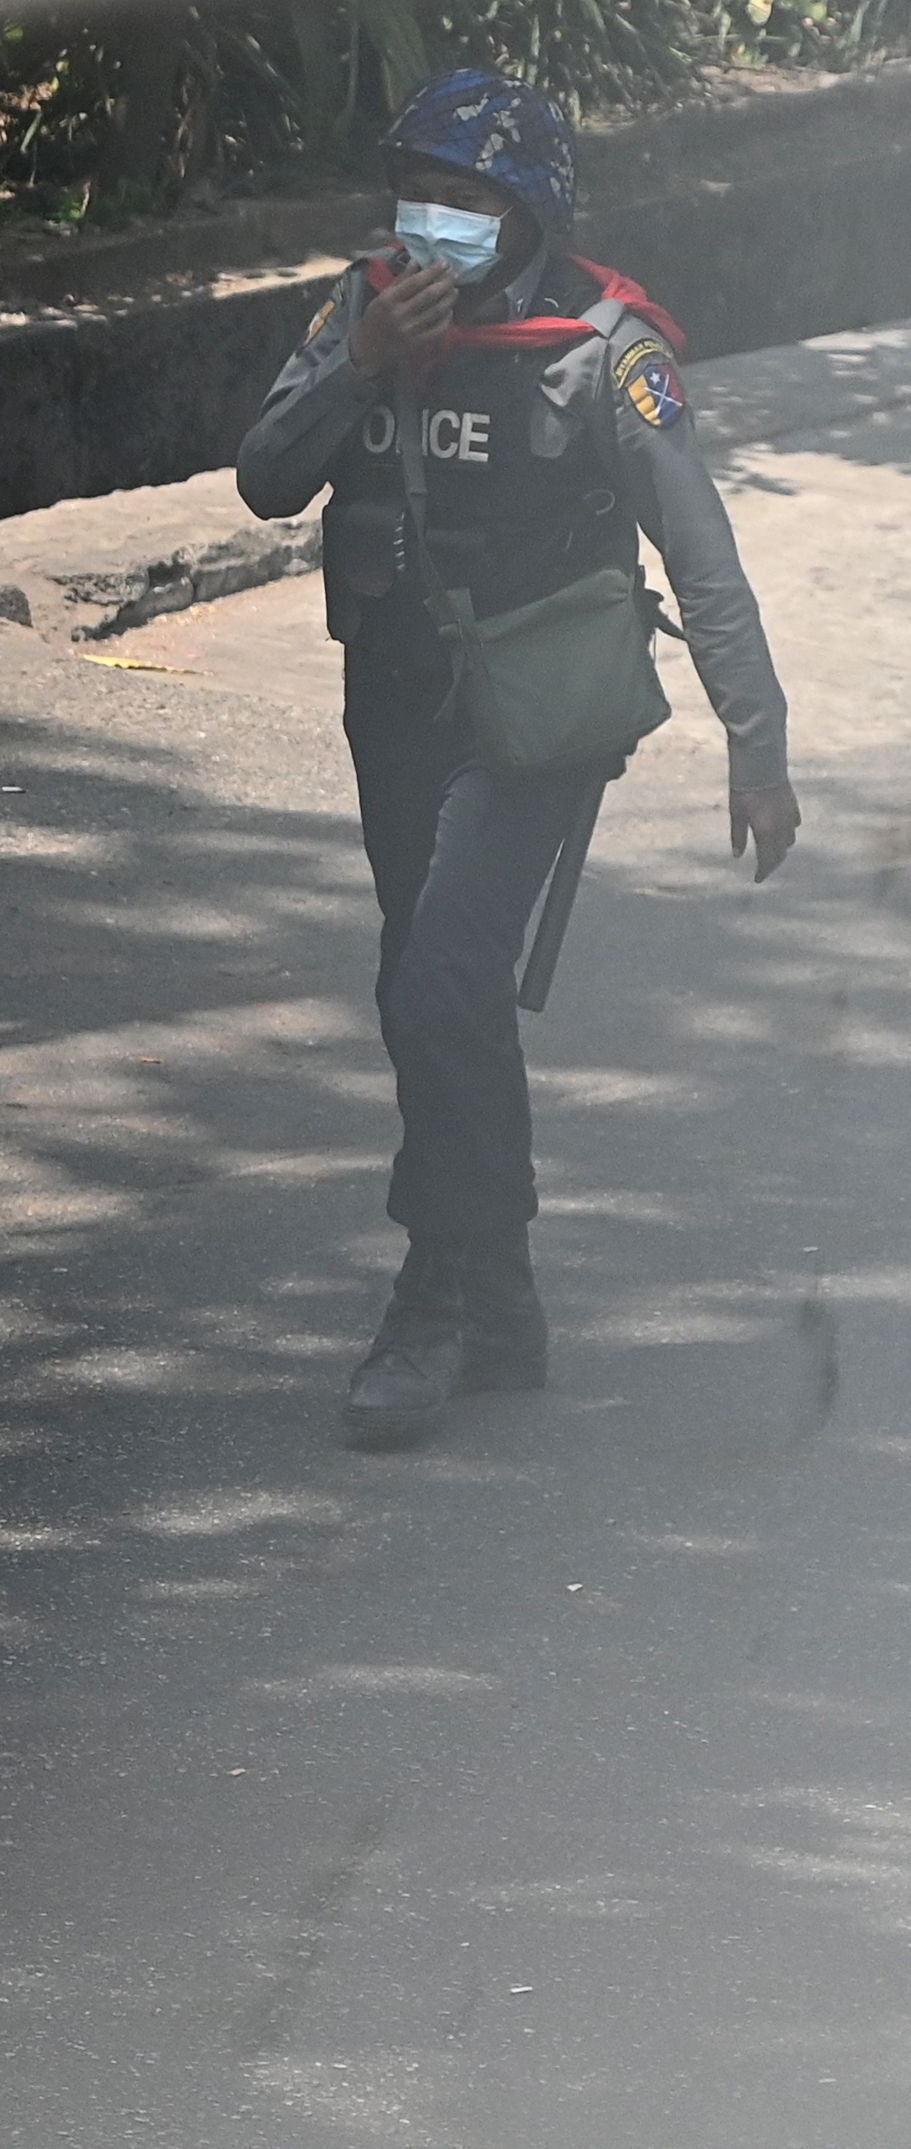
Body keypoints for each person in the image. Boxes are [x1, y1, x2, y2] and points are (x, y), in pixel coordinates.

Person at [236, 69, 798, 1441]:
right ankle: (500, 1292)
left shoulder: (601, 348)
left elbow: (696, 545)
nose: (432, 227)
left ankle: (432, 1293)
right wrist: (361, 364)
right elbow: (261, 474)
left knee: (437, 979)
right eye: (417, 196)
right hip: (395, 702)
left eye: (468, 202)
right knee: (423, 982)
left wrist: (755, 739)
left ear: (528, 213)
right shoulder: (357, 309)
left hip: (536, 714)